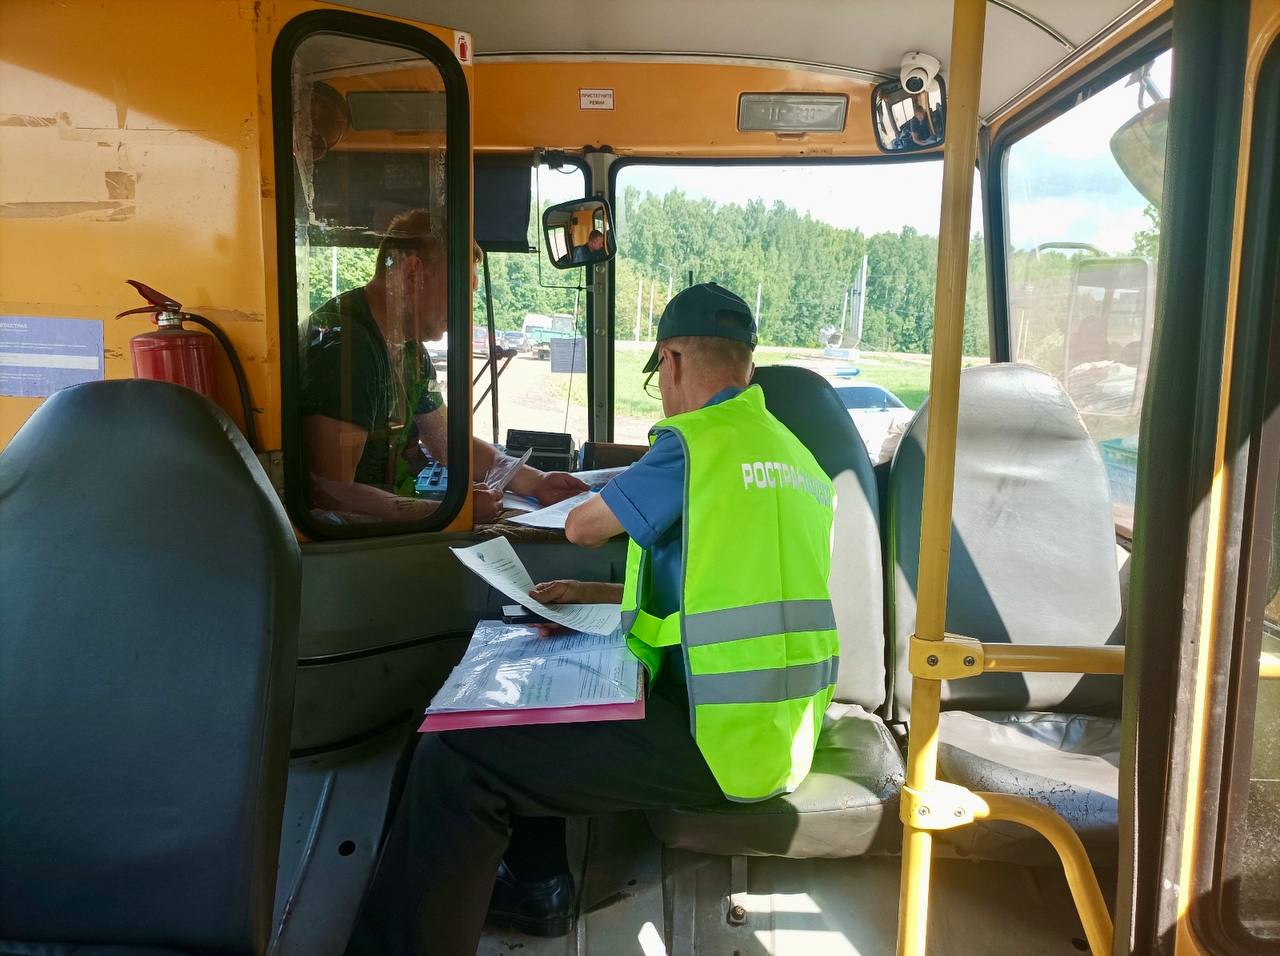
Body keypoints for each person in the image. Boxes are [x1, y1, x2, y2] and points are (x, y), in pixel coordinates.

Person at [346, 282, 840, 955]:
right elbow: (721, 594)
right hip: (775, 731)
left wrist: (575, 513)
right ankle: (535, 884)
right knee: (530, 677)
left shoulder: (698, 441)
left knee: (457, 752)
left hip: (714, 742)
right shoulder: (795, 456)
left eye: (660, 377)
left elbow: (582, 525)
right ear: (746, 363)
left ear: (670, 361)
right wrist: (591, 593)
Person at [300, 210, 587, 522]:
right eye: (462, 291)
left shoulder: (408, 349)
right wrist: (450, 511)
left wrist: (536, 481)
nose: (465, 312)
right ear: (412, 275)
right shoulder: (347, 350)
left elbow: (444, 441)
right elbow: (329, 494)